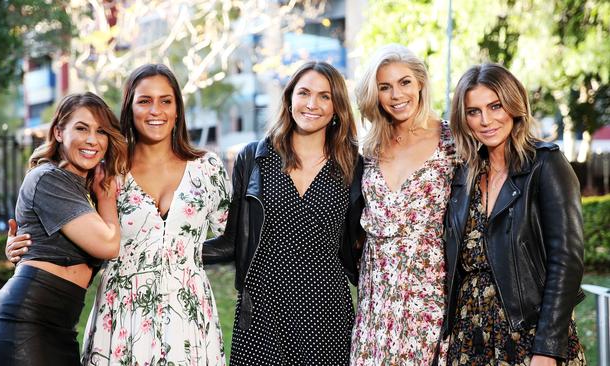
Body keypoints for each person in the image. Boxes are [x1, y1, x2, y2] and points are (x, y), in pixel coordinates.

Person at [6, 64, 231, 365]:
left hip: (190, 313)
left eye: (166, 100)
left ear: (178, 110)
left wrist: (181, 257)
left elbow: (235, 235)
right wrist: (19, 246)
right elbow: (56, 221)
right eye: (144, 100)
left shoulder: (208, 168)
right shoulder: (105, 171)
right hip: (121, 314)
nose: (156, 110)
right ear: (130, 108)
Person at [203, 60, 363, 365]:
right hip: (263, 308)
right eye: (303, 93)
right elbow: (232, 240)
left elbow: (362, 242)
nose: (312, 104)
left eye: (324, 96)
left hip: (326, 310)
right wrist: (167, 250)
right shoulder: (254, 157)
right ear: (289, 99)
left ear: (337, 107)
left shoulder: (353, 164)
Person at [443, 63, 586, 365]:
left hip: (528, 334)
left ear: (514, 105)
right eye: (473, 111)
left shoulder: (546, 165)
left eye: (495, 106)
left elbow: (567, 262)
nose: (486, 120)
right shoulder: (464, 175)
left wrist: (548, 348)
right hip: (469, 336)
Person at [0, 92, 127, 365]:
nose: (92, 140)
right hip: (24, 326)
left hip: (61, 330)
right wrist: (107, 194)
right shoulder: (49, 178)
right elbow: (107, 244)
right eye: (81, 128)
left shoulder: (81, 188)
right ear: (59, 132)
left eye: (101, 131)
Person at [350, 43, 456, 366]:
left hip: (428, 296)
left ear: (421, 83)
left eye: (405, 82)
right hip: (375, 298)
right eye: (385, 87)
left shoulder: (452, 142)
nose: (397, 95)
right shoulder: (369, 148)